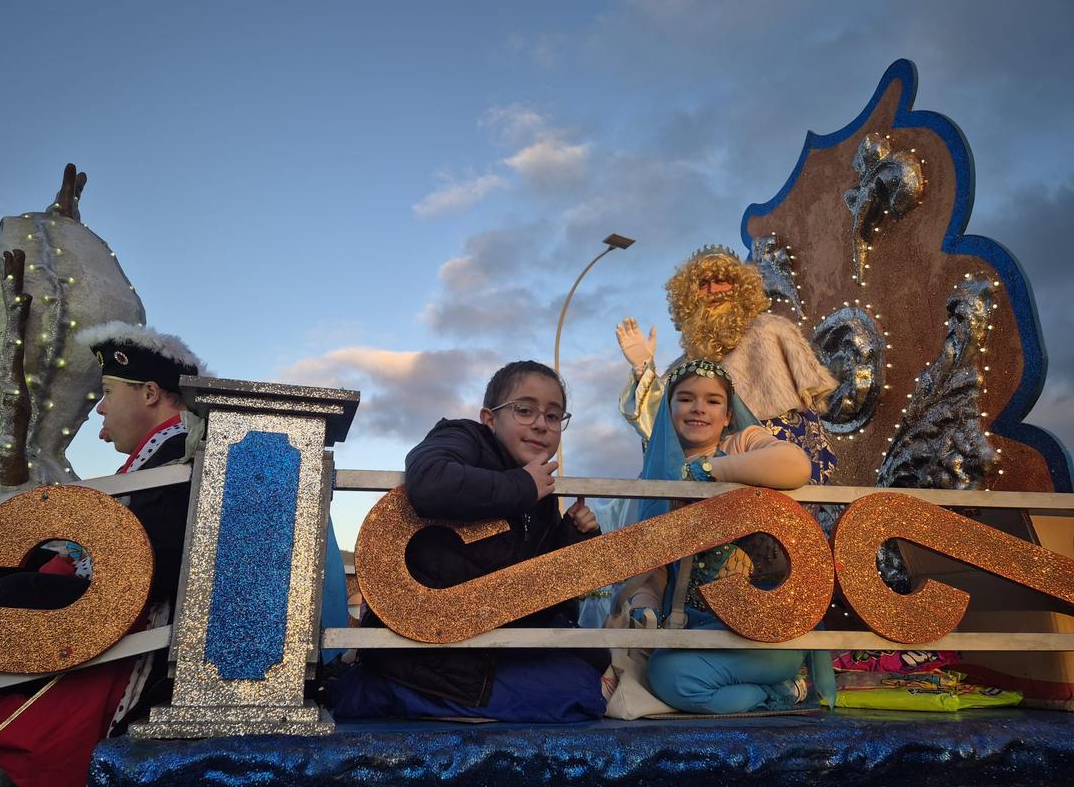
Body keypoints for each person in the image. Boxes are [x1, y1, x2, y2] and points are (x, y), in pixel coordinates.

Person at [0, 322, 206, 787]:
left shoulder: (179, 456)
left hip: (148, 615)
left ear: (151, 393)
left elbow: (157, 558)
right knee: (13, 586)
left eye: (107, 394)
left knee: (11, 599)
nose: (99, 411)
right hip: (132, 599)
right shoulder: (161, 455)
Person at [331, 360, 609, 723]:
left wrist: (573, 535)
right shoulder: (465, 439)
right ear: (490, 419)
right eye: (524, 410)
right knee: (580, 695)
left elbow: (538, 592)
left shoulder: (540, 497)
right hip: (429, 648)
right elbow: (429, 479)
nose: (541, 424)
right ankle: (379, 689)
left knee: (597, 656)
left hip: (485, 642)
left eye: (554, 416)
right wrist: (522, 487)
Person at [607, 359, 836, 716]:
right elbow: (649, 565)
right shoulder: (653, 477)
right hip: (693, 634)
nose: (699, 408)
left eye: (712, 401)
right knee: (666, 674)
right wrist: (643, 601)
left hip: (765, 630)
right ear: (668, 410)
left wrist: (708, 471)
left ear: (728, 415)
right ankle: (779, 692)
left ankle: (780, 689)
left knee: (672, 677)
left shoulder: (741, 445)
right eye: (685, 399)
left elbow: (796, 465)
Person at [616, 245, 838, 487]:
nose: (713, 291)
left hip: (773, 457)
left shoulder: (771, 330)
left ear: (740, 288)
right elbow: (659, 430)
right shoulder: (684, 366)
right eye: (703, 284)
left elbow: (812, 393)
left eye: (722, 281)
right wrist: (643, 368)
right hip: (709, 476)